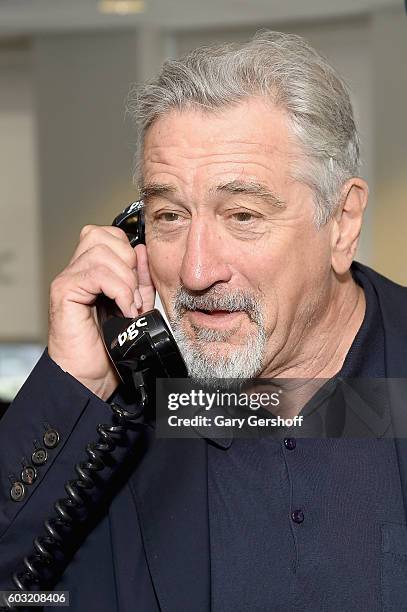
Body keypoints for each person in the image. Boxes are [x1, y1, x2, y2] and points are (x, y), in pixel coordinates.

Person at [1, 30, 407, 612]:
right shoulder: (123, 423)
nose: (195, 270)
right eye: (168, 216)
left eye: (242, 215)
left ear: (342, 223)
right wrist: (74, 387)